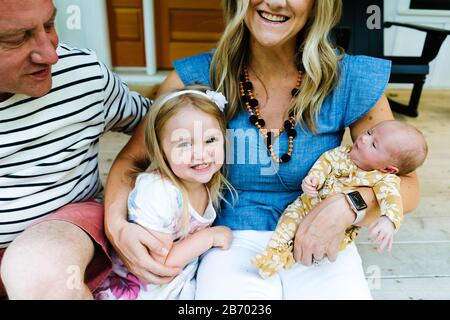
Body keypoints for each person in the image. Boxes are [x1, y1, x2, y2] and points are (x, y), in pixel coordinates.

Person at [105, 0, 420, 299]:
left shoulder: (349, 77)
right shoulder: (196, 77)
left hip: (319, 233)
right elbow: (132, 161)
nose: (275, 2)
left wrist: (349, 204)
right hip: (229, 237)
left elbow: (408, 185)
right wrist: (117, 227)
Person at [0, 0, 181, 300]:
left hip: (63, 227)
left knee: (39, 273)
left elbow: (152, 122)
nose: (50, 54)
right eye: (17, 39)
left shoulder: (83, 76)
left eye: (49, 25)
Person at [94, 88, 234, 300]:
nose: (200, 153)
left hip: (177, 280)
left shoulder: (205, 181)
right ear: (161, 150)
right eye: (184, 144)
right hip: (145, 289)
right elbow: (160, 261)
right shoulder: (159, 193)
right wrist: (210, 236)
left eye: (210, 140)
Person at [252, 120, 428, 278]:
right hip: (305, 205)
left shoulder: (383, 179)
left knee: (324, 246)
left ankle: (292, 259)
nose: (364, 139)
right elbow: (324, 164)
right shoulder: (341, 153)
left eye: (374, 145)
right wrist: (313, 180)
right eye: (369, 132)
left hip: (338, 227)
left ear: (389, 169)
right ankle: (273, 254)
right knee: (287, 223)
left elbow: (392, 200)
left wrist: (389, 220)